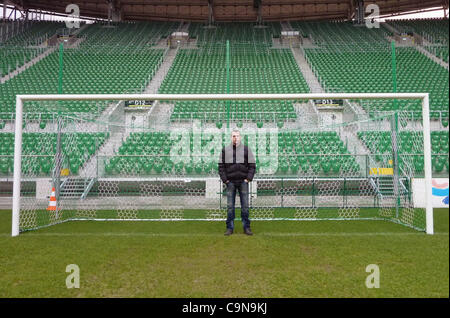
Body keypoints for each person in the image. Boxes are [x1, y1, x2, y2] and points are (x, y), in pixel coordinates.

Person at [218, 128, 256, 236]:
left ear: (240, 137)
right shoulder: (225, 150)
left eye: (237, 136)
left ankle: (246, 227)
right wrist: (225, 180)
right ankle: (229, 228)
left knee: (245, 206)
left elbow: (252, 166)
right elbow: (221, 167)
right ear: (231, 137)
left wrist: (248, 179)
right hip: (230, 183)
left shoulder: (246, 150)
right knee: (230, 207)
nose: (235, 138)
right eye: (233, 136)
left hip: (243, 182)